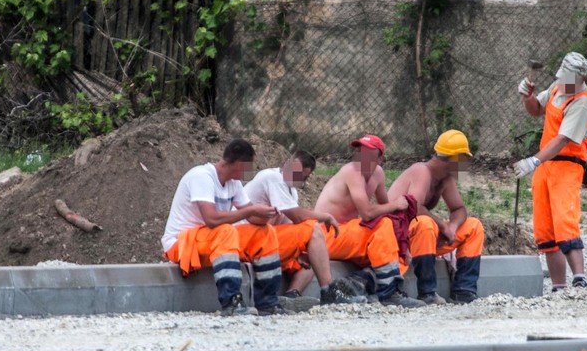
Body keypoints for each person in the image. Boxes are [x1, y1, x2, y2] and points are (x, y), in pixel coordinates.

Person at [160, 139, 288, 316]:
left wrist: (267, 214)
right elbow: (211, 219)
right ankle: (231, 302)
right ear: (238, 164)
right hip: (182, 244)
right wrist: (251, 211)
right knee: (226, 230)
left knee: (266, 233)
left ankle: (268, 302)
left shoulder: (233, 183)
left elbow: (250, 215)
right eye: (248, 167)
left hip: (211, 240)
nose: (250, 172)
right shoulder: (202, 176)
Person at [514, 52, 587, 290]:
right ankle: (559, 286)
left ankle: (579, 279)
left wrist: (533, 161)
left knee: (565, 222)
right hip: (545, 167)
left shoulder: (584, 101)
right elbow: (536, 109)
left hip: (567, 167)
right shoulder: (557, 87)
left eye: (568, 79)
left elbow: (563, 139)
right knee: (545, 230)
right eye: (561, 77)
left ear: (581, 77)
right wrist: (527, 97)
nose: (563, 83)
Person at [242, 150, 365, 307]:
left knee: (315, 254)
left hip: (265, 239)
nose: (295, 177)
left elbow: (288, 226)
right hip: (247, 238)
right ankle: (329, 292)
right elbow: (297, 217)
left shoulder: (291, 192)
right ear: (287, 164)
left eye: (300, 176)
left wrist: (298, 251)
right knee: (312, 229)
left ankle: (292, 295)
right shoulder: (273, 178)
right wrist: (324, 216)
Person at [314, 135, 425, 308]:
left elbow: (384, 208)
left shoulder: (378, 174)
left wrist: (402, 242)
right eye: (359, 149)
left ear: (380, 158)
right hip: (325, 236)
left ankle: (357, 284)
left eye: (367, 150)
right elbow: (367, 213)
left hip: (347, 234)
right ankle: (389, 293)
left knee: (396, 246)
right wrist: (396, 204)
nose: (361, 153)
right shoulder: (352, 171)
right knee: (384, 226)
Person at [387, 129, 486, 304]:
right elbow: (414, 207)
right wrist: (442, 226)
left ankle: (464, 290)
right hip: (396, 237)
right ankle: (427, 292)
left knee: (473, 226)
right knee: (425, 223)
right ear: (453, 158)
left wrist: (452, 228)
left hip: (421, 237)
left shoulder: (445, 179)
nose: (464, 164)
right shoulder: (421, 170)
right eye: (463, 159)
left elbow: (459, 209)